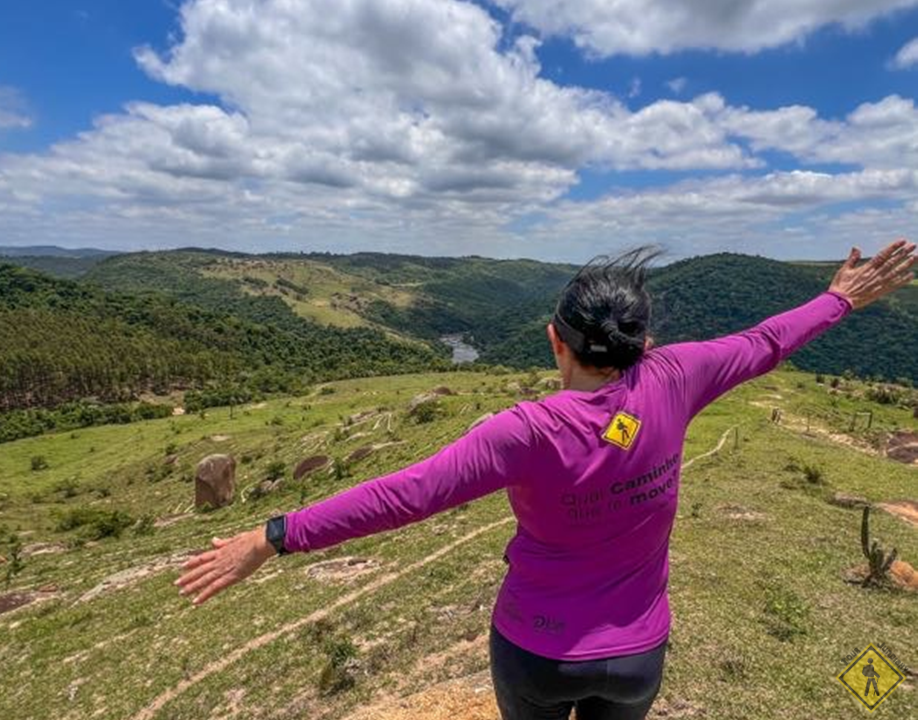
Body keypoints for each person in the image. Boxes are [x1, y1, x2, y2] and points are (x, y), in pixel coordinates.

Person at [175, 239, 916, 720]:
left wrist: (274, 536)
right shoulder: (676, 377)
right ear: (645, 342)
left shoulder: (523, 432)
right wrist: (840, 298)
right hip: (637, 652)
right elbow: (766, 341)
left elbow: (406, 495)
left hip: (536, 649)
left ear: (554, 339)